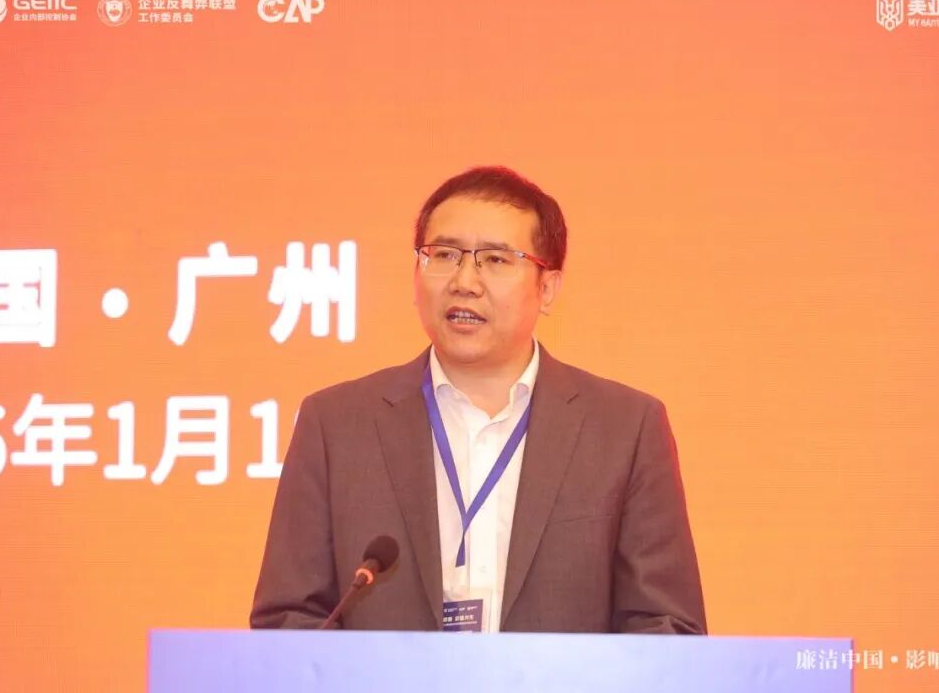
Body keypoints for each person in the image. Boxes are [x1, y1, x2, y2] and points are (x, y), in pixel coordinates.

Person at [250, 166, 706, 634]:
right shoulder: (335, 425)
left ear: (547, 288)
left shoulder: (625, 429)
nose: (464, 281)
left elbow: (665, 626)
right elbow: (288, 621)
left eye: (496, 259)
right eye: (444, 255)